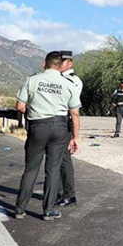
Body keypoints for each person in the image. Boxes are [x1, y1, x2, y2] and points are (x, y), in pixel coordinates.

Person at [14, 51, 81, 221]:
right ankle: (48, 210)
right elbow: (75, 114)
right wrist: (75, 137)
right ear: (60, 66)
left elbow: (20, 106)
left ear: (45, 63)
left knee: (31, 169)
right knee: (53, 169)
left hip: (38, 126)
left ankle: (20, 209)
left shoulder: (32, 80)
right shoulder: (68, 84)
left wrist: (33, 111)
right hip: (59, 127)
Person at [56, 50, 82, 207]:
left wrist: (75, 135)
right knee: (56, 158)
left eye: (62, 62)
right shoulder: (59, 78)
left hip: (65, 120)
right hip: (57, 121)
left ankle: (69, 194)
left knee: (64, 159)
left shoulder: (73, 80)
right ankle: (58, 192)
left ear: (70, 63)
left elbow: (72, 107)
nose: (59, 65)